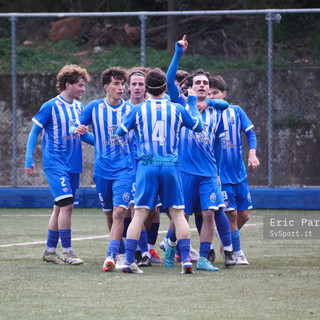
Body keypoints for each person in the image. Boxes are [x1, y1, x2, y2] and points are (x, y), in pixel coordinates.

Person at [117, 68, 204, 274]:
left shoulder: (137, 110)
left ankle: (129, 261)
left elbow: (121, 132)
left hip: (146, 164)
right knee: (178, 214)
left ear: (146, 88)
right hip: (170, 164)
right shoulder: (176, 109)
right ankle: (185, 262)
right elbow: (198, 127)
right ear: (166, 87)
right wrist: (191, 104)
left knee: (138, 215)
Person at [165, 36, 236, 269]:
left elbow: (217, 142)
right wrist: (178, 53)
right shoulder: (181, 104)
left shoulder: (217, 111)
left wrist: (216, 170)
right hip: (184, 171)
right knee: (181, 216)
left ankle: (204, 258)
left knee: (208, 214)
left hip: (207, 173)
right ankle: (172, 246)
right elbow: (168, 79)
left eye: (206, 83)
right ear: (190, 87)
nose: (203, 85)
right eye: (198, 83)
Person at [25, 64, 92, 265]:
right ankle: (68, 251)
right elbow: (34, 131)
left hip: (73, 164)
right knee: (67, 205)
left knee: (59, 206)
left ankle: (49, 250)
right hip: (55, 163)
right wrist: (29, 159)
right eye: (80, 85)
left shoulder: (80, 107)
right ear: (68, 84)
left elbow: (83, 134)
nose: (83, 89)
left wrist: (104, 143)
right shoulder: (50, 106)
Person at [69, 67, 134, 272]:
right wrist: (77, 130)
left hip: (125, 169)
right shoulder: (94, 107)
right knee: (109, 214)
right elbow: (76, 127)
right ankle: (120, 249)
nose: (120, 88)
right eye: (116, 84)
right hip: (102, 171)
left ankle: (111, 255)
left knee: (119, 213)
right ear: (106, 86)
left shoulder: (130, 110)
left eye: (122, 84)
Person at [209, 75, 260, 265]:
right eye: (209, 93)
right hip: (221, 175)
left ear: (224, 94)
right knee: (230, 214)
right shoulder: (208, 116)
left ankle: (225, 238)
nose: (212, 96)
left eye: (215, 93)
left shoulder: (236, 111)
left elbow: (250, 133)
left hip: (238, 173)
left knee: (243, 215)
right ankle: (237, 252)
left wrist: (252, 154)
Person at [125, 68, 163, 267]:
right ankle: (136, 252)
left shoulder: (154, 108)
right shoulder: (123, 110)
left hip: (153, 166)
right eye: (134, 84)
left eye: (141, 84)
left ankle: (147, 248)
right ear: (128, 87)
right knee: (135, 209)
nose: (138, 88)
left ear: (147, 87)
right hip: (131, 169)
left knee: (154, 211)